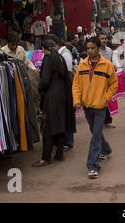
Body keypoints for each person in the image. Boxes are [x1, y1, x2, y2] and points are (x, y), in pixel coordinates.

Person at [72, 37, 118, 179]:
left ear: (98, 48)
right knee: (94, 131)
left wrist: (105, 98)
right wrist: (77, 100)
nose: (90, 51)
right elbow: (76, 85)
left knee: (96, 134)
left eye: (92, 48)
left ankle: (92, 165)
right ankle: (106, 149)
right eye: (88, 48)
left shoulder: (107, 65)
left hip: (100, 106)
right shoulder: (82, 65)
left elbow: (113, 85)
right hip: (87, 106)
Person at [33, 39, 74, 167]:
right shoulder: (59, 57)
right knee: (60, 124)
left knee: (47, 126)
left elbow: (45, 80)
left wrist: (40, 89)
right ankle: (59, 153)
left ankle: (46, 157)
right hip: (62, 96)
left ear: (44, 49)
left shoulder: (48, 58)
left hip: (51, 96)